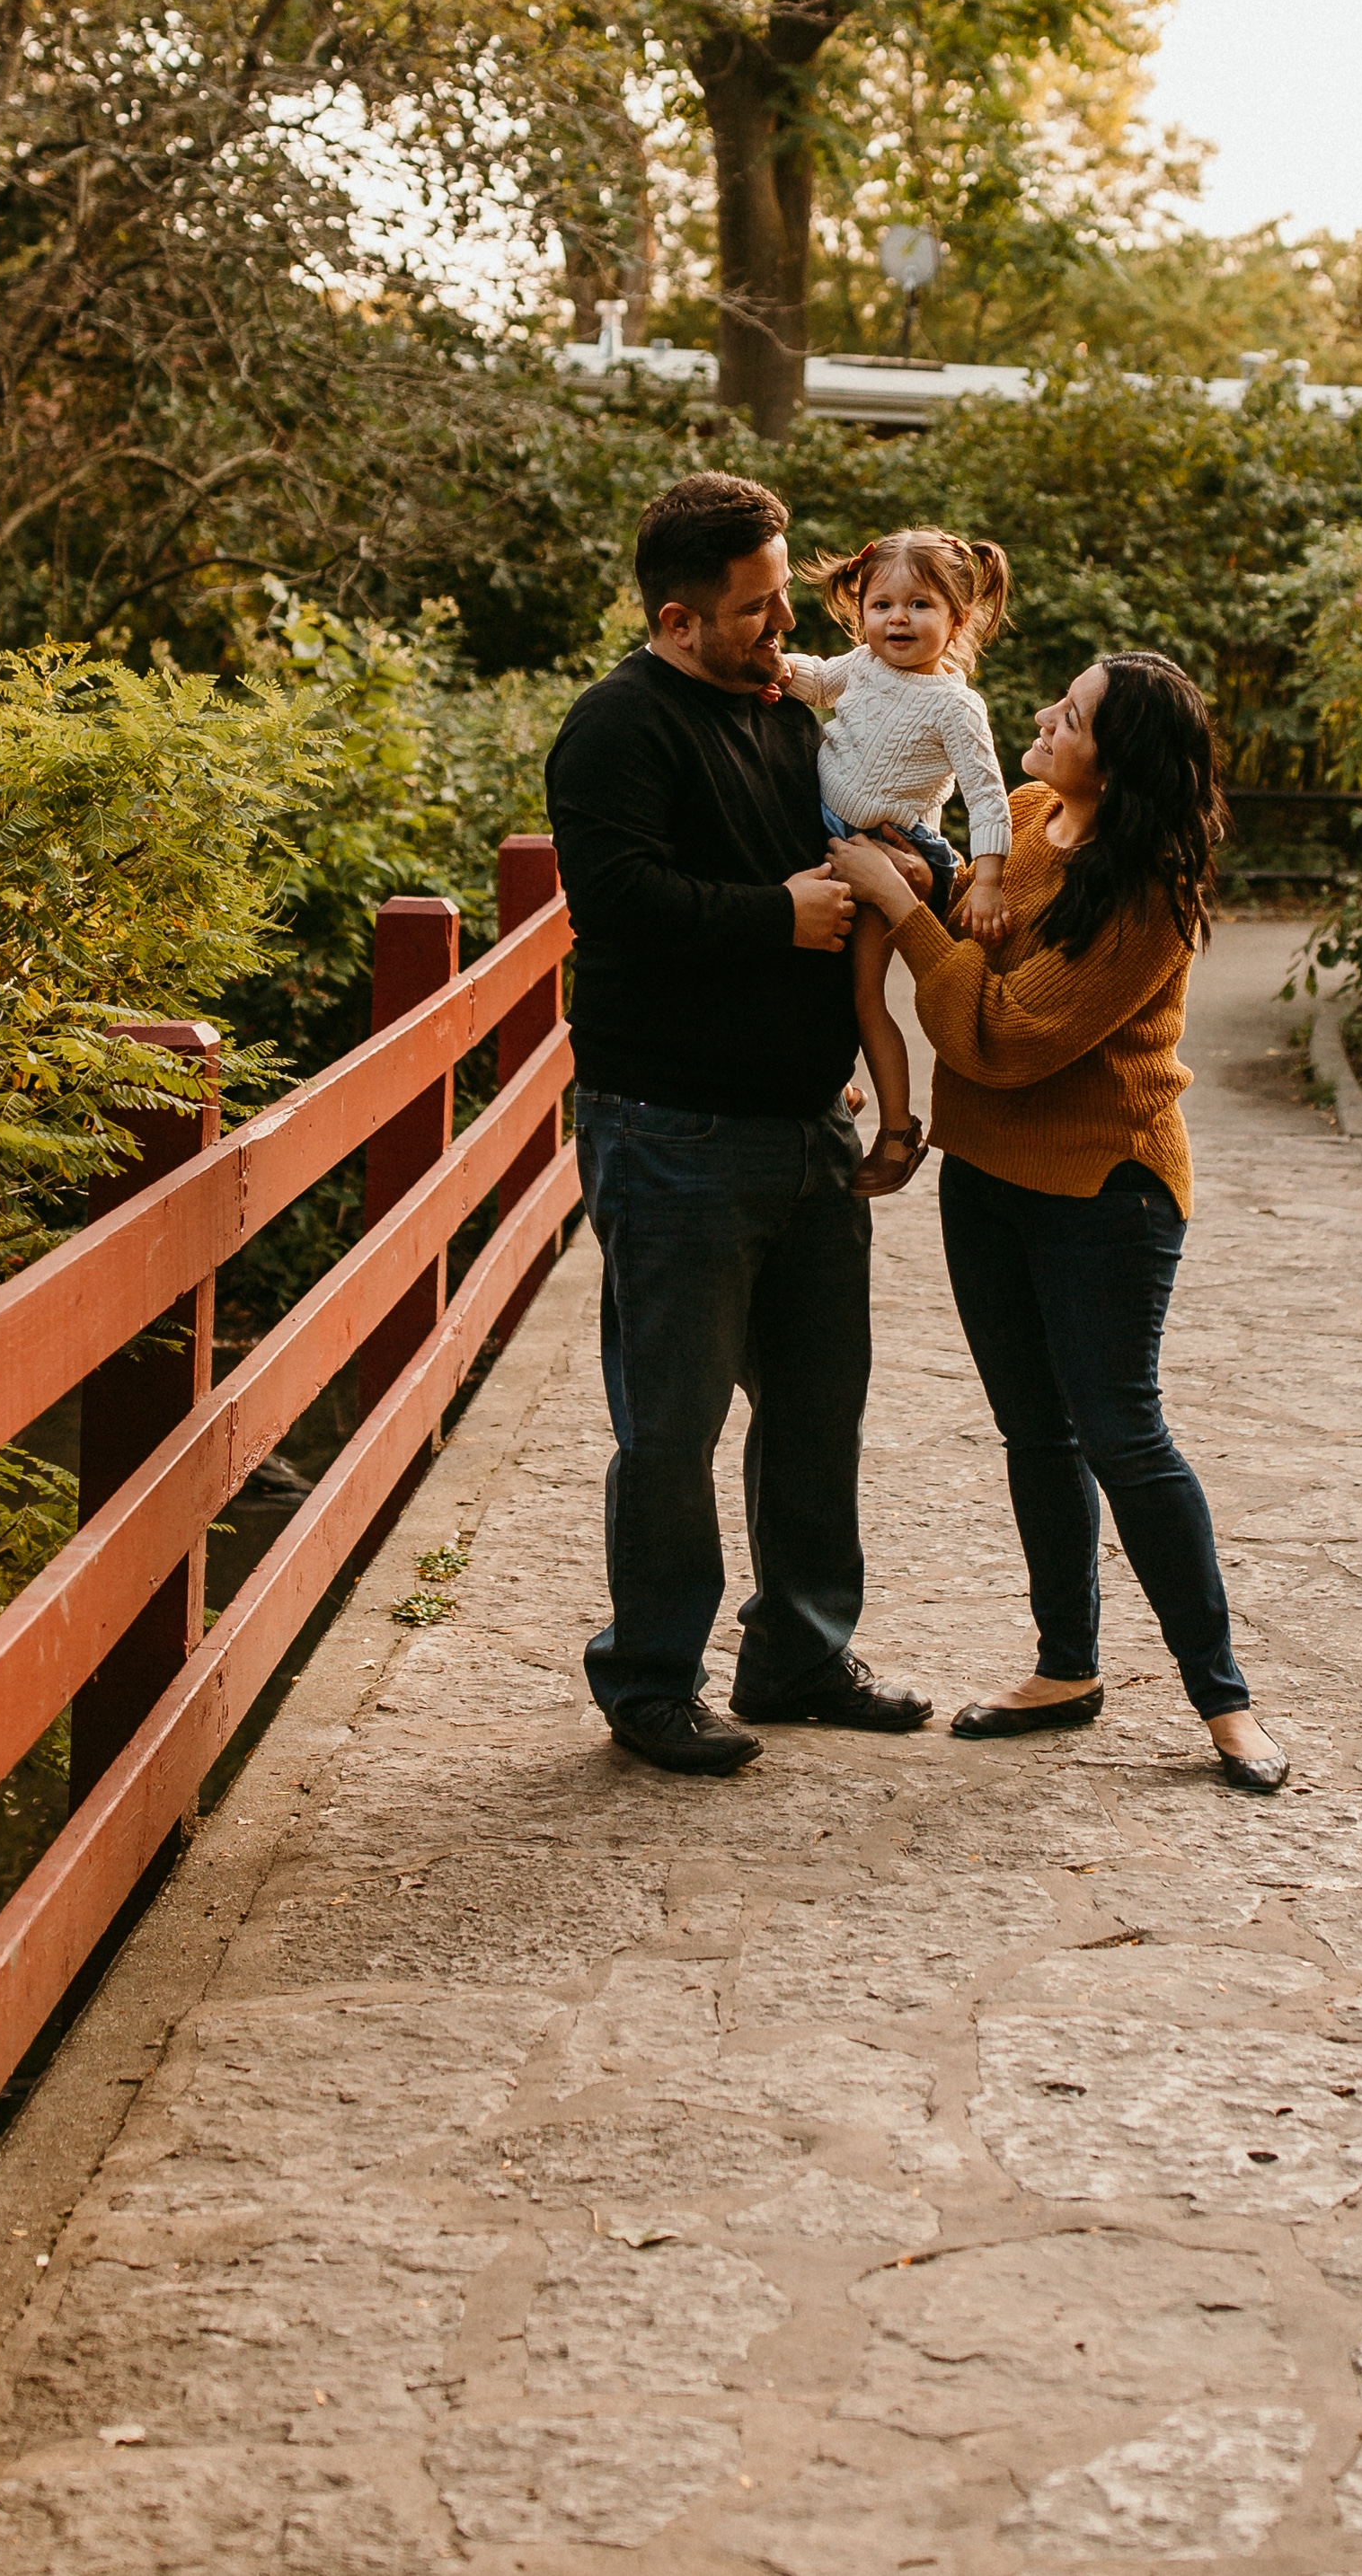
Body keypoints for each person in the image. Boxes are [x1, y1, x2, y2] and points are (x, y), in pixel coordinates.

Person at [825, 651, 1288, 1795]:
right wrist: (908, 869)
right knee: (1035, 1432)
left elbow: (1007, 1036)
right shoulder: (1026, 814)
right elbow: (945, 883)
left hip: (1104, 1190)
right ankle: (1064, 1669)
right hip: (984, 1173)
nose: (1042, 716)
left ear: (1116, 760)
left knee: (1123, 1437)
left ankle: (1223, 1701)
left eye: (1071, 715)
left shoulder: (1147, 899)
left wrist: (897, 904)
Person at [543, 470, 934, 1776]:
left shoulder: (781, 712)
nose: (785, 629)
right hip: (670, 1132)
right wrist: (778, 914)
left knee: (820, 1406)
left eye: (782, 601)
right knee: (672, 1424)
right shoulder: (615, 729)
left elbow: (864, 826)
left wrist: (914, 865)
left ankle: (800, 1653)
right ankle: (652, 1679)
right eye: (760, 610)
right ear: (675, 617)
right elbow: (620, 901)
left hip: (808, 1122)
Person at [781, 526, 1016, 1200]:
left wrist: (990, 879)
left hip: (892, 852)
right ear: (861, 612)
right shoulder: (860, 664)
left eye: (919, 605)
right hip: (828, 839)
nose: (897, 619)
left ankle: (896, 1129)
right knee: (794, 962)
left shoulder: (953, 704)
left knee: (862, 994)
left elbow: (986, 794)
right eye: (881, 604)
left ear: (956, 618)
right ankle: (837, 1086)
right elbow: (817, 679)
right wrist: (774, 667)